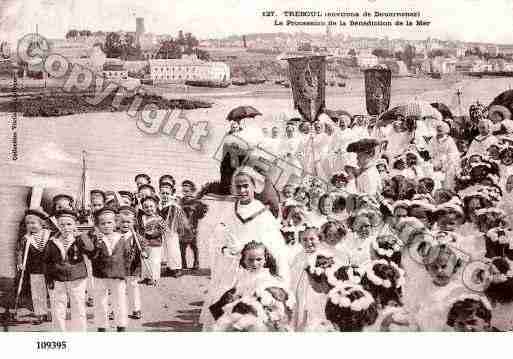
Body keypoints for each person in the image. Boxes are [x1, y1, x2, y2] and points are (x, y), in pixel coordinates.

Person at [201, 166, 290, 330]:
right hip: (230, 267)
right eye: (238, 186)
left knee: (252, 310)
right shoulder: (229, 210)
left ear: (254, 186)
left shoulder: (263, 213)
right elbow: (218, 235)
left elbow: (273, 246)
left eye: (245, 186)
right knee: (226, 305)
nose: (242, 190)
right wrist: (224, 249)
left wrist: (248, 250)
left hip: (253, 267)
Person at [43, 209, 94, 332]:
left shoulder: (79, 239)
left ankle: (80, 332)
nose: (65, 228)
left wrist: (81, 236)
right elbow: (46, 261)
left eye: (69, 224)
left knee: (78, 307)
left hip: (77, 278)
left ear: (75, 225)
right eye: (62, 225)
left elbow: (91, 250)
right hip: (57, 279)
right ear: (58, 225)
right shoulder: (52, 241)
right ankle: (60, 333)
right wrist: (48, 279)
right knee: (58, 308)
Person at [84, 207, 130, 332]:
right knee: (100, 301)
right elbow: (91, 255)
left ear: (115, 223)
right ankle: (101, 326)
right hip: (100, 275)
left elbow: (126, 257)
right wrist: (96, 245)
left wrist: (126, 273)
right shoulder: (96, 239)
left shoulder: (121, 238)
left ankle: (121, 325)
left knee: (119, 301)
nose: (106, 226)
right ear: (97, 225)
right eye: (102, 223)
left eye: (109, 222)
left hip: (118, 274)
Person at [16, 208, 51, 324]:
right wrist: (20, 263)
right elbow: (20, 251)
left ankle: (52, 311)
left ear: (41, 223)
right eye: (28, 224)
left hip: (50, 268)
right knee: (37, 291)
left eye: (33, 223)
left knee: (52, 291)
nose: (31, 226)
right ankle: (40, 313)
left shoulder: (48, 234)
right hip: (35, 268)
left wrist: (46, 215)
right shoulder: (26, 238)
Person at [117, 206, 148, 320]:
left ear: (133, 222)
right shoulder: (115, 236)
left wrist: (144, 252)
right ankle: (118, 310)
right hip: (118, 269)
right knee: (118, 290)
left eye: (128, 222)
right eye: (122, 222)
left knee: (133, 288)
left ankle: (136, 309)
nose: (125, 224)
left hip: (132, 268)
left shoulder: (137, 238)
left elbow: (144, 247)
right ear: (117, 222)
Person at [179, 180, 208, 270]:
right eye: (184, 191)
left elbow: (201, 214)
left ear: (192, 191)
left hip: (192, 227)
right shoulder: (181, 201)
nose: (185, 193)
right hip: (182, 227)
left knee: (193, 246)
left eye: (187, 191)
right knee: (182, 247)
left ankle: (196, 262)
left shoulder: (196, 202)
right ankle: (183, 263)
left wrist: (198, 209)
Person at [137, 195, 165, 286]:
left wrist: (155, 233)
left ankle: (154, 277)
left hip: (155, 243)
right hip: (145, 243)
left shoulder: (159, 218)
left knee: (154, 261)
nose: (149, 209)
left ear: (155, 207)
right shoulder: (142, 218)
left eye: (151, 206)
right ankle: (146, 277)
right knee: (145, 260)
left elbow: (164, 229)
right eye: (146, 207)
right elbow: (140, 229)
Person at [430, 121, 460, 190]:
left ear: (446, 130)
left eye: (441, 129)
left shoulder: (449, 140)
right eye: (438, 128)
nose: (439, 130)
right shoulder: (433, 140)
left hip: (447, 162)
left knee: (450, 171)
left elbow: (453, 154)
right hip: (435, 162)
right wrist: (433, 162)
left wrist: (443, 164)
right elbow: (430, 152)